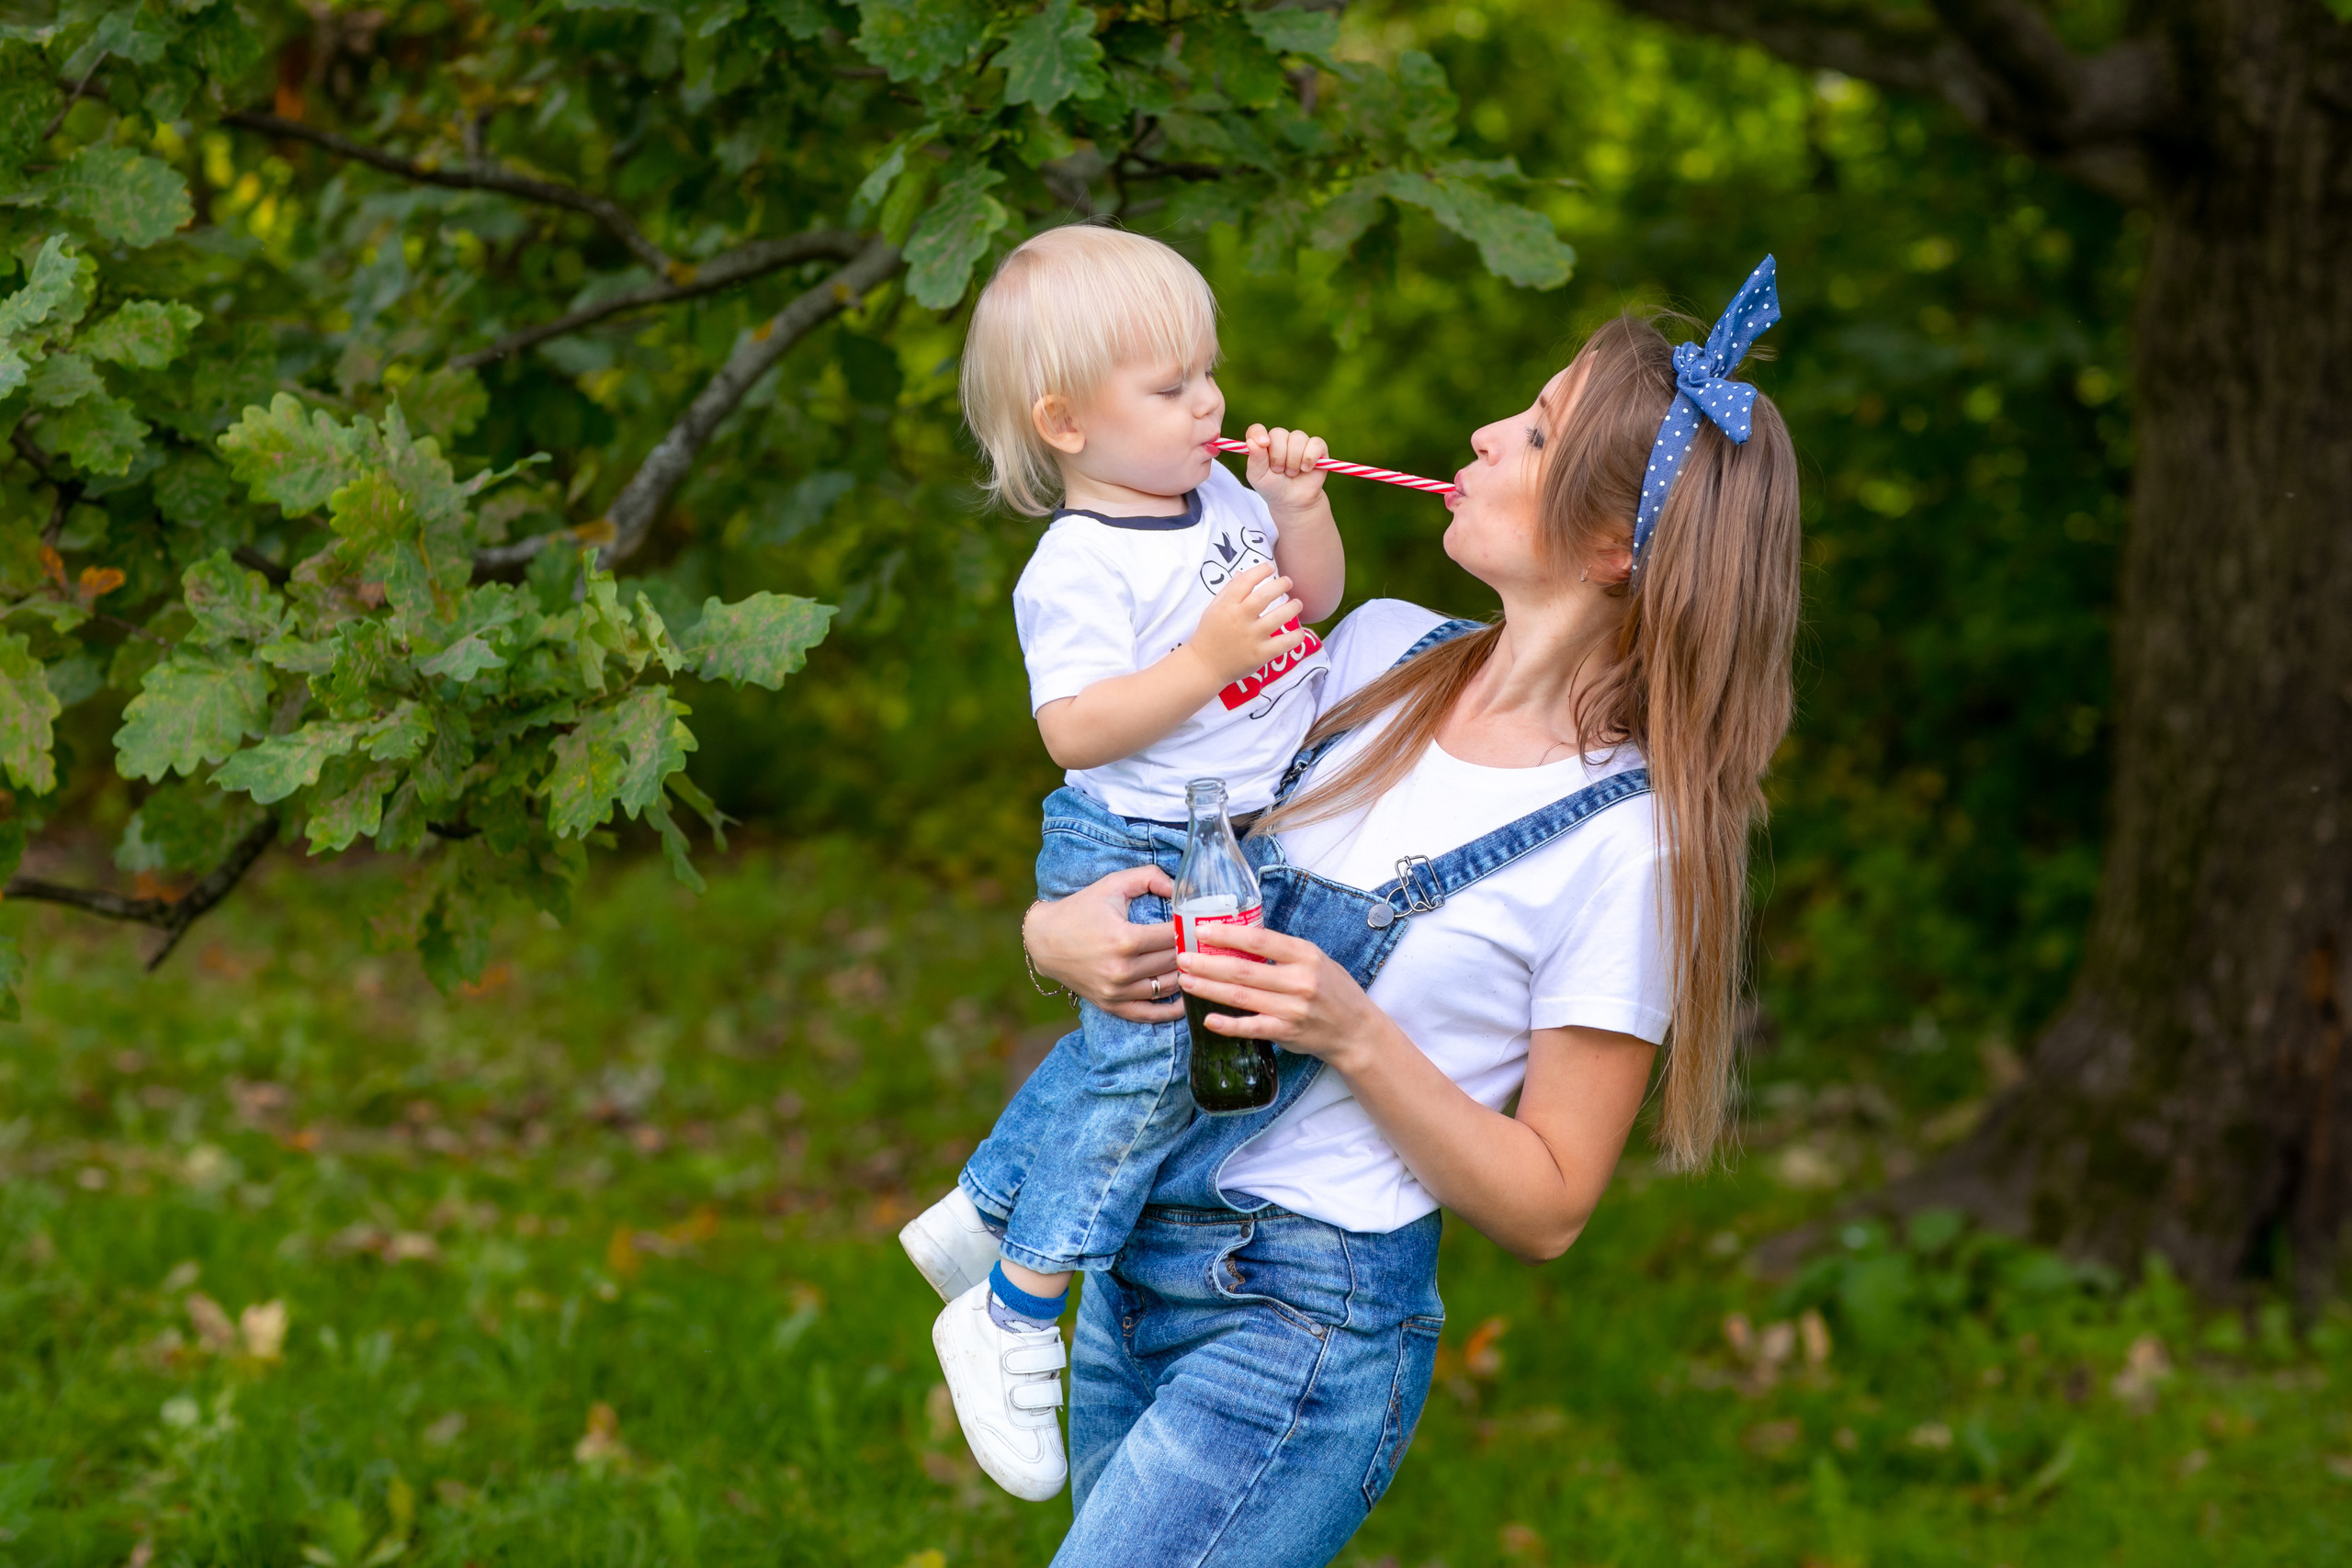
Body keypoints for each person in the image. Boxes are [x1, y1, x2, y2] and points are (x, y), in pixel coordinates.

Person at [996, 259, 1800, 1564]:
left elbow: (1550, 1206)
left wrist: (1355, 1033)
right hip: (1135, 1267)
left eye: (1534, 433)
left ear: (1614, 548)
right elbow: (1147, 813)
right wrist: (1053, 939)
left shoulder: (1629, 842)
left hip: (1299, 1329)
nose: (1484, 434)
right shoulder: (1369, 652)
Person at [895, 221, 1349, 1500]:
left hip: (1224, 830)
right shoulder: (1079, 565)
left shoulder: (1223, 502)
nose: (1210, 402)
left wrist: (1299, 511)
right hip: (1135, 838)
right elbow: (1074, 729)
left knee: (1121, 1056)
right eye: (1169, 386)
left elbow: (1312, 599)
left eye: (1208, 372)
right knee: (1151, 1071)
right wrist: (1203, 664)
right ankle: (1013, 1306)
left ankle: (988, 1202)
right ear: (1067, 423)